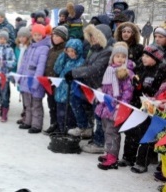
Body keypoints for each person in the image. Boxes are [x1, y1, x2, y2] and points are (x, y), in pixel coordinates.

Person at [65, 24, 112, 153]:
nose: (92, 39)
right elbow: (86, 65)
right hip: (90, 87)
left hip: (101, 89)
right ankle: (84, 128)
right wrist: (73, 72)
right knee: (76, 100)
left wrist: (74, 73)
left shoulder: (107, 51)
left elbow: (94, 69)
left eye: (95, 37)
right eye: (90, 37)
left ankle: (99, 143)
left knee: (99, 116)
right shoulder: (94, 51)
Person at [121, 44, 166, 173]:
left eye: (147, 56)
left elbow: (158, 91)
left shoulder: (161, 71)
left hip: (152, 109)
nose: (144, 58)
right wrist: (134, 86)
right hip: (137, 105)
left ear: (155, 58)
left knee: (147, 135)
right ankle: (128, 157)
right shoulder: (141, 68)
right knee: (131, 131)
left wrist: (142, 87)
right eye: (143, 55)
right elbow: (135, 86)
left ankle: (142, 162)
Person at [95, 42, 134, 170]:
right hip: (106, 105)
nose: (120, 59)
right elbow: (107, 87)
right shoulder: (110, 70)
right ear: (113, 57)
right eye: (118, 56)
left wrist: (121, 105)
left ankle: (113, 158)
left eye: (123, 56)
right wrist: (101, 92)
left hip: (116, 107)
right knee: (107, 130)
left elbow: (128, 91)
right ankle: (109, 152)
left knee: (112, 133)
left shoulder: (125, 73)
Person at [17, 24, 50, 133]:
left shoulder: (44, 48)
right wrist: (19, 76)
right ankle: (28, 121)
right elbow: (24, 63)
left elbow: (40, 67)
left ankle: (36, 125)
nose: (37, 37)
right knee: (27, 103)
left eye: (39, 35)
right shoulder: (31, 47)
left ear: (43, 35)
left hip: (35, 82)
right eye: (35, 34)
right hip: (26, 80)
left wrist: (36, 82)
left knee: (36, 104)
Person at [53, 39, 85, 132]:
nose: (70, 53)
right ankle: (61, 130)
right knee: (60, 115)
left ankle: (68, 134)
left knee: (70, 117)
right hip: (61, 93)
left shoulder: (81, 63)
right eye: (68, 51)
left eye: (73, 51)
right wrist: (62, 55)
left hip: (71, 95)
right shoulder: (66, 60)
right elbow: (57, 69)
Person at [43, 26, 68, 134]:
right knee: (51, 104)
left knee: (59, 106)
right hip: (49, 82)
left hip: (59, 83)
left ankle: (60, 126)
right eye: (54, 35)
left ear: (64, 38)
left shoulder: (65, 50)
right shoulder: (51, 50)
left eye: (58, 36)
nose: (55, 38)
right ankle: (53, 123)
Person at [15, 27, 32, 126]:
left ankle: (27, 113)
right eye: (20, 37)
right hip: (19, 73)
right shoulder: (17, 47)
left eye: (24, 37)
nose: (22, 39)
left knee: (27, 94)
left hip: (26, 74)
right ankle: (25, 110)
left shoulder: (29, 48)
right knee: (22, 92)